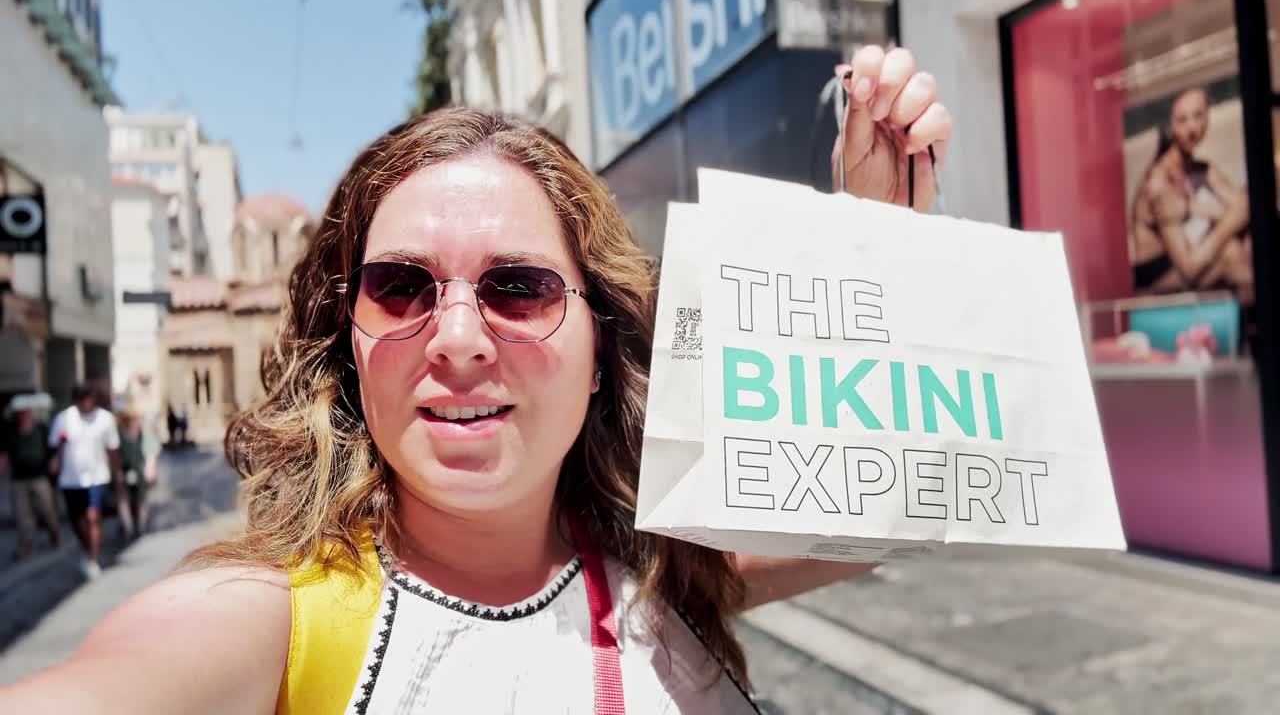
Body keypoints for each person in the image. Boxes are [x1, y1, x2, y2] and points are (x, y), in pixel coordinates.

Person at [1, 46, 950, 712]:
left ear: (598, 347)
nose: (456, 339)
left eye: (520, 288)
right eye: (401, 285)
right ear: (349, 343)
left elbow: (891, 505)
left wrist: (872, 240)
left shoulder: (670, 571)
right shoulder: (268, 619)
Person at [1130, 87, 1252, 303]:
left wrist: (1221, 216)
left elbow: (1247, 205)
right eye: (1182, 120)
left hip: (1181, 262)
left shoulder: (1199, 169)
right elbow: (1189, 268)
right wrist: (1227, 223)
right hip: (1155, 276)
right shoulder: (1162, 182)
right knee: (1230, 252)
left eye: (1198, 116)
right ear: (1171, 126)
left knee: (1248, 242)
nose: (1193, 127)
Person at [48, 384, 120, 579]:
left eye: (89, 400)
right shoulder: (63, 419)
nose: (86, 405)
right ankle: (89, 549)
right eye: (82, 402)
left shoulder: (105, 419)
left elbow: (113, 449)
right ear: (76, 402)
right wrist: (55, 460)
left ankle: (93, 559)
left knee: (93, 517)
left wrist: (117, 475)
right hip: (70, 479)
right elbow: (56, 445)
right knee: (77, 520)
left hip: (97, 476)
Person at [0, 400, 62, 560]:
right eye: (21, 413)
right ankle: (25, 545)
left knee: (47, 509)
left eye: (27, 413)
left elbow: (53, 448)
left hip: (40, 477)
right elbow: (4, 455)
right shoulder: (11, 432)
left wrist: (54, 461)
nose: (24, 416)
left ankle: (54, 534)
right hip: (19, 479)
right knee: (22, 514)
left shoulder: (41, 429)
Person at [115, 406, 159, 539]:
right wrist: (117, 472)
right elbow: (113, 453)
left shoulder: (143, 433)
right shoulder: (118, 435)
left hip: (140, 470)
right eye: (127, 419)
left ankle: (141, 525)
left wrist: (150, 468)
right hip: (123, 471)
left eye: (132, 419)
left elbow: (151, 451)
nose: (130, 421)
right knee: (122, 498)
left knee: (142, 499)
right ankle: (128, 526)